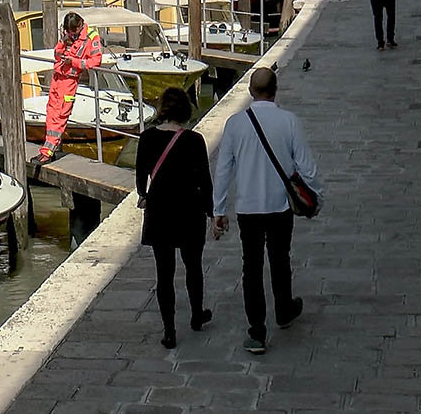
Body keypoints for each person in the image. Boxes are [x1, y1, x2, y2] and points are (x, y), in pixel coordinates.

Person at [213, 68, 322, 355]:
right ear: (275, 90)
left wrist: (218, 209)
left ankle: (257, 331)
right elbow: (306, 166)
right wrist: (315, 198)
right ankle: (284, 310)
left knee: (251, 267)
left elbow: (223, 170)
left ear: (251, 91)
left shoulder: (235, 124)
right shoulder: (289, 121)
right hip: (279, 206)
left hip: (248, 208)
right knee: (279, 259)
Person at [136, 88, 214, 349]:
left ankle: (169, 331)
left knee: (164, 273)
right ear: (185, 110)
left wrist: (144, 195)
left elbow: (140, 178)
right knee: (193, 266)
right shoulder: (194, 140)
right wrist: (212, 212)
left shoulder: (146, 138)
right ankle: (196, 315)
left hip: (160, 210)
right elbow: (205, 181)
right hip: (190, 210)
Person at [35, 12, 102, 164]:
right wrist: (63, 42)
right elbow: (57, 54)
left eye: (72, 32)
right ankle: (48, 149)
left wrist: (74, 62)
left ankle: (47, 152)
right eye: (68, 32)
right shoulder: (67, 35)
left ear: (79, 26)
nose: (70, 35)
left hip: (69, 82)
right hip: (57, 78)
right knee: (51, 115)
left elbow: (95, 61)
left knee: (59, 117)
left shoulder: (92, 37)